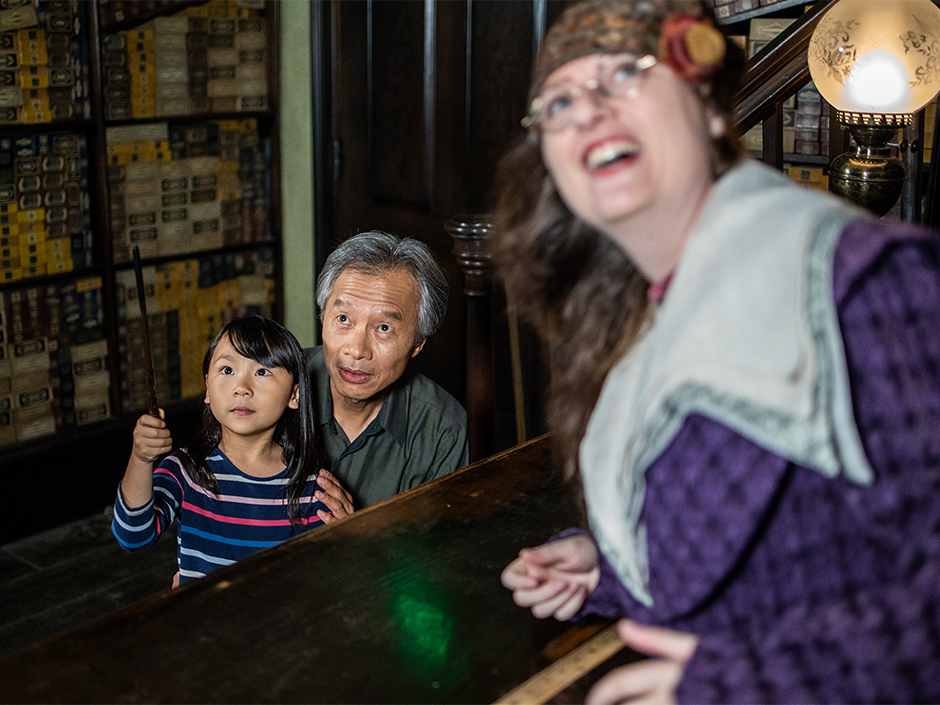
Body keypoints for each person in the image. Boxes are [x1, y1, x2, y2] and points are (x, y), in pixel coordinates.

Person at [495, 1, 940, 703]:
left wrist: (750, 681)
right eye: (558, 102)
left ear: (707, 109)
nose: (587, 110)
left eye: (625, 74)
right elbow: (788, 543)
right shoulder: (646, 315)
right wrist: (609, 567)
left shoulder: (867, 278)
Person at [112, 316, 333, 584]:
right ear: (207, 388)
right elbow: (133, 537)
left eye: (262, 372)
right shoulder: (186, 469)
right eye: (227, 370)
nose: (241, 388)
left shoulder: (311, 483)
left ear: (294, 396)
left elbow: (318, 576)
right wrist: (141, 458)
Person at [305, 230, 469, 511]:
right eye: (343, 319)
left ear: (417, 344)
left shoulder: (442, 428)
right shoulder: (274, 381)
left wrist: (353, 538)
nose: (356, 350)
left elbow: (442, 546)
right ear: (323, 318)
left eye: (383, 328)